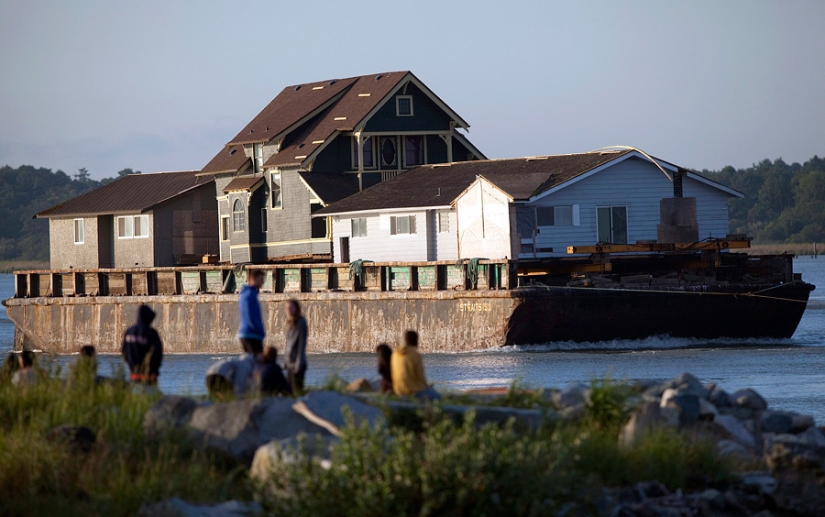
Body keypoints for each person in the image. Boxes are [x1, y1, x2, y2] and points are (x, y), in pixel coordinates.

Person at [390, 330, 440, 400]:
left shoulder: (395, 354)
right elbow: (420, 376)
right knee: (437, 397)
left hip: (398, 390)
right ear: (416, 341)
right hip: (413, 391)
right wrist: (427, 386)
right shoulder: (415, 354)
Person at [122, 304, 163, 385]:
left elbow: (124, 352)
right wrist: (154, 370)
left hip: (134, 376)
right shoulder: (151, 332)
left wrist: (132, 366)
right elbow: (158, 354)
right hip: (149, 378)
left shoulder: (129, 331)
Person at [239, 270, 266, 355]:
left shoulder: (249, 293)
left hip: (250, 333)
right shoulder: (249, 294)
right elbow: (249, 315)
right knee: (258, 361)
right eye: (261, 279)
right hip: (251, 334)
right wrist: (259, 331)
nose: (263, 282)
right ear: (254, 279)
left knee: (253, 362)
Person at [284, 299, 308, 394]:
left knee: (297, 392)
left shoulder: (301, 323)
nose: (288, 310)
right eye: (286, 308)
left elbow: (301, 345)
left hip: (297, 364)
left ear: (296, 309)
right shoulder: (290, 324)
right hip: (290, 363)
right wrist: (286, 362)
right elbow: (288, 346)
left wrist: (298, 364)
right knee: (291, 392)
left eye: (291, 308)